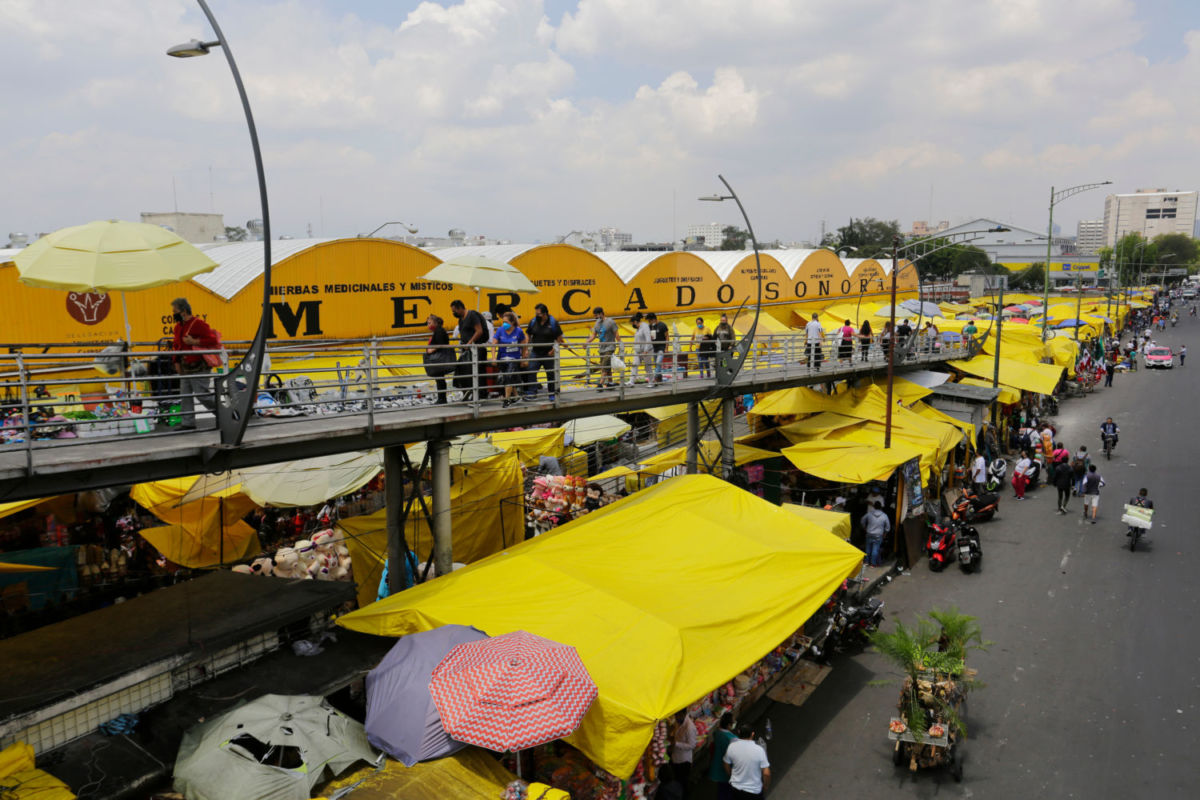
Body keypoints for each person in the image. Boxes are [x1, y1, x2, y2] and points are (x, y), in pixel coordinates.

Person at [170, 297, 219, 429]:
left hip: (199, 365)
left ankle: (224, 412)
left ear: (184, 311)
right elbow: (176, 345)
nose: (173, 314)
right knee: (185, 394)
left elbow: (213, 340)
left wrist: (195, 342)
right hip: (185, 365)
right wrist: (176, 362)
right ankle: (188, 422)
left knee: (202, 394)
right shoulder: (178, 327)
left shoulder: (198, 324)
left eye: (175, 311)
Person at [525, 303, 564, 401]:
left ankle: (552, 393)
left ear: (545, 313)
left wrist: (553, 350)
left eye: (539, 314)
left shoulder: (553, 323)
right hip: (535, 352)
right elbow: (528, 334)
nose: (537, 315)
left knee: (550, 374)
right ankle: (532, 392)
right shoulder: (533, 321)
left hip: (548, 353)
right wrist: (526, 348)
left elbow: (559, 339)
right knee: (531, 371)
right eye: (536, 313)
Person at [450, 299, 487, 400]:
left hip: (476, 349)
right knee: (466, 372)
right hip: (467, 351)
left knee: (478, 372)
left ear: (460, 308)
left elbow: (479, 331)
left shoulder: (472, 315)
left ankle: (481, 394)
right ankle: (470, 393)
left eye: (454, 311)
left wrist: (469, 343)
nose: (454, 313)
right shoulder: (461, 319)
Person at [489, 311, 528, 408]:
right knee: (508, 378)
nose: (504, 324)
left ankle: (507, 400)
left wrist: (523, 359)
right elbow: (493, 344)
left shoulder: (518, 331)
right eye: (503, 322)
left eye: (506, 322)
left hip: (514, 358)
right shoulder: (500, 330)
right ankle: (516, 396)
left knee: (509, 377)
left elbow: (524, 346)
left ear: (512, 322)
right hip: (502, 358)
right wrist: (493, 357)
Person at [723, 723, 770, 799]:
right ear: (752, 734)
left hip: (736, 790)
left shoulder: (732, 747)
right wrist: (765, 786)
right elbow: (766, 773)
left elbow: (726, 764)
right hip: (754, 791)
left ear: (738, 732)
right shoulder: (759, 750)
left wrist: (731, 775)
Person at [585, 307, 620, 390]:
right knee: (607, 366)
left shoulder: (610, 322)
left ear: (601, 313)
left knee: (604, 365)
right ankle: (610, 383)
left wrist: (620, 344)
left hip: (610, 347)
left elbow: (616, 334)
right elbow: (594, 335)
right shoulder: (597, 323)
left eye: (596, 315)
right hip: (602, 348)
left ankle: (600, 384)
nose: (595, 317)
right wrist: (587, 342)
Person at [422, 314, 454, 404]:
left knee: (440, 379)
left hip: (440, 358)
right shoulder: (438, 331)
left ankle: (442, 399)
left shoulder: (439, 331)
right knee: (439, 379)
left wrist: (432, 350)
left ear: (435, 323)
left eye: (429, 323)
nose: (428, 325)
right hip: (439, 357)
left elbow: (441, 344)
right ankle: (441, 398)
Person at [707, 712, 737, 800]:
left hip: (718, 766)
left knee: (721, 790)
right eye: (733, 722)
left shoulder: (717, 733)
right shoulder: (732, 739)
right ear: (728, 725)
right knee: (728, 791)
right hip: (727, 769)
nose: (735, 722)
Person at [671, 710, 697, 800]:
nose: (675, 717)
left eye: (676, 715)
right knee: (678, 780)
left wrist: (676, 744)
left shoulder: (689, 727)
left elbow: (692, 745)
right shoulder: (679, 722)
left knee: (683, 783)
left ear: (682, 714)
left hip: (684, 760)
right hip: (676, 757)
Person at [861, 501, 890, 567]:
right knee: (875, 549)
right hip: (878, 535)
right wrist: (885, 533)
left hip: (869, 533)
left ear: (874, 506)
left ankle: (866, 562)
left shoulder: (869, 514)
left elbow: (862, 520)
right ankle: (873, 564)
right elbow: (888, 527)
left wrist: (864, 528)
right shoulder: (884, 516)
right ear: (880, 507)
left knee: (868, 548)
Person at [630, 312, 654, 385]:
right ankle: (631, 382)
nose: (632, 325)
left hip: (647, 350)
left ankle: (651, 382)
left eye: (632, 323)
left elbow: (648, 339)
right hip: (639, 351)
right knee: (635, 364)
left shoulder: (645, 326)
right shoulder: (638, 329)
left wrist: (646, 350)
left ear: (635, 322)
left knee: (648, 367)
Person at [648, 312, 669, 383]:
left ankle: (654, 378)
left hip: (661, 347)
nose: (649, 322)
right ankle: (659, 379)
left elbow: (667, 336)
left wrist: (666, 348)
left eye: (649, 321)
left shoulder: (662, 325)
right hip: (654, 348)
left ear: (653, 319)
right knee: (656, 363)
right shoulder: (649, 326)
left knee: (658, 362)